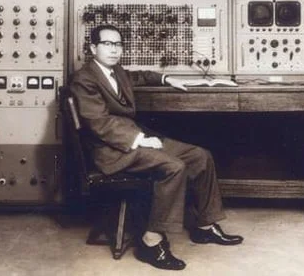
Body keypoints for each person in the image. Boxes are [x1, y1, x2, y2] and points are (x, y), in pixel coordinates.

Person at [69, 24, 243, 271]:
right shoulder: (84, 78)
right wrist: (139, 139)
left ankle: (205, 226)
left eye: (118, 44)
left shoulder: (116, 71)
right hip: (111, 152)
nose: (114, 49)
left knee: (200, 156)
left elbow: (139, 76)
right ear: (93, 48)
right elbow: (98, 123)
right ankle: (151, 241)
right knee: (174, 167)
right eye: (107, 44)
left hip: (131, 142)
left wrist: (167, 78)